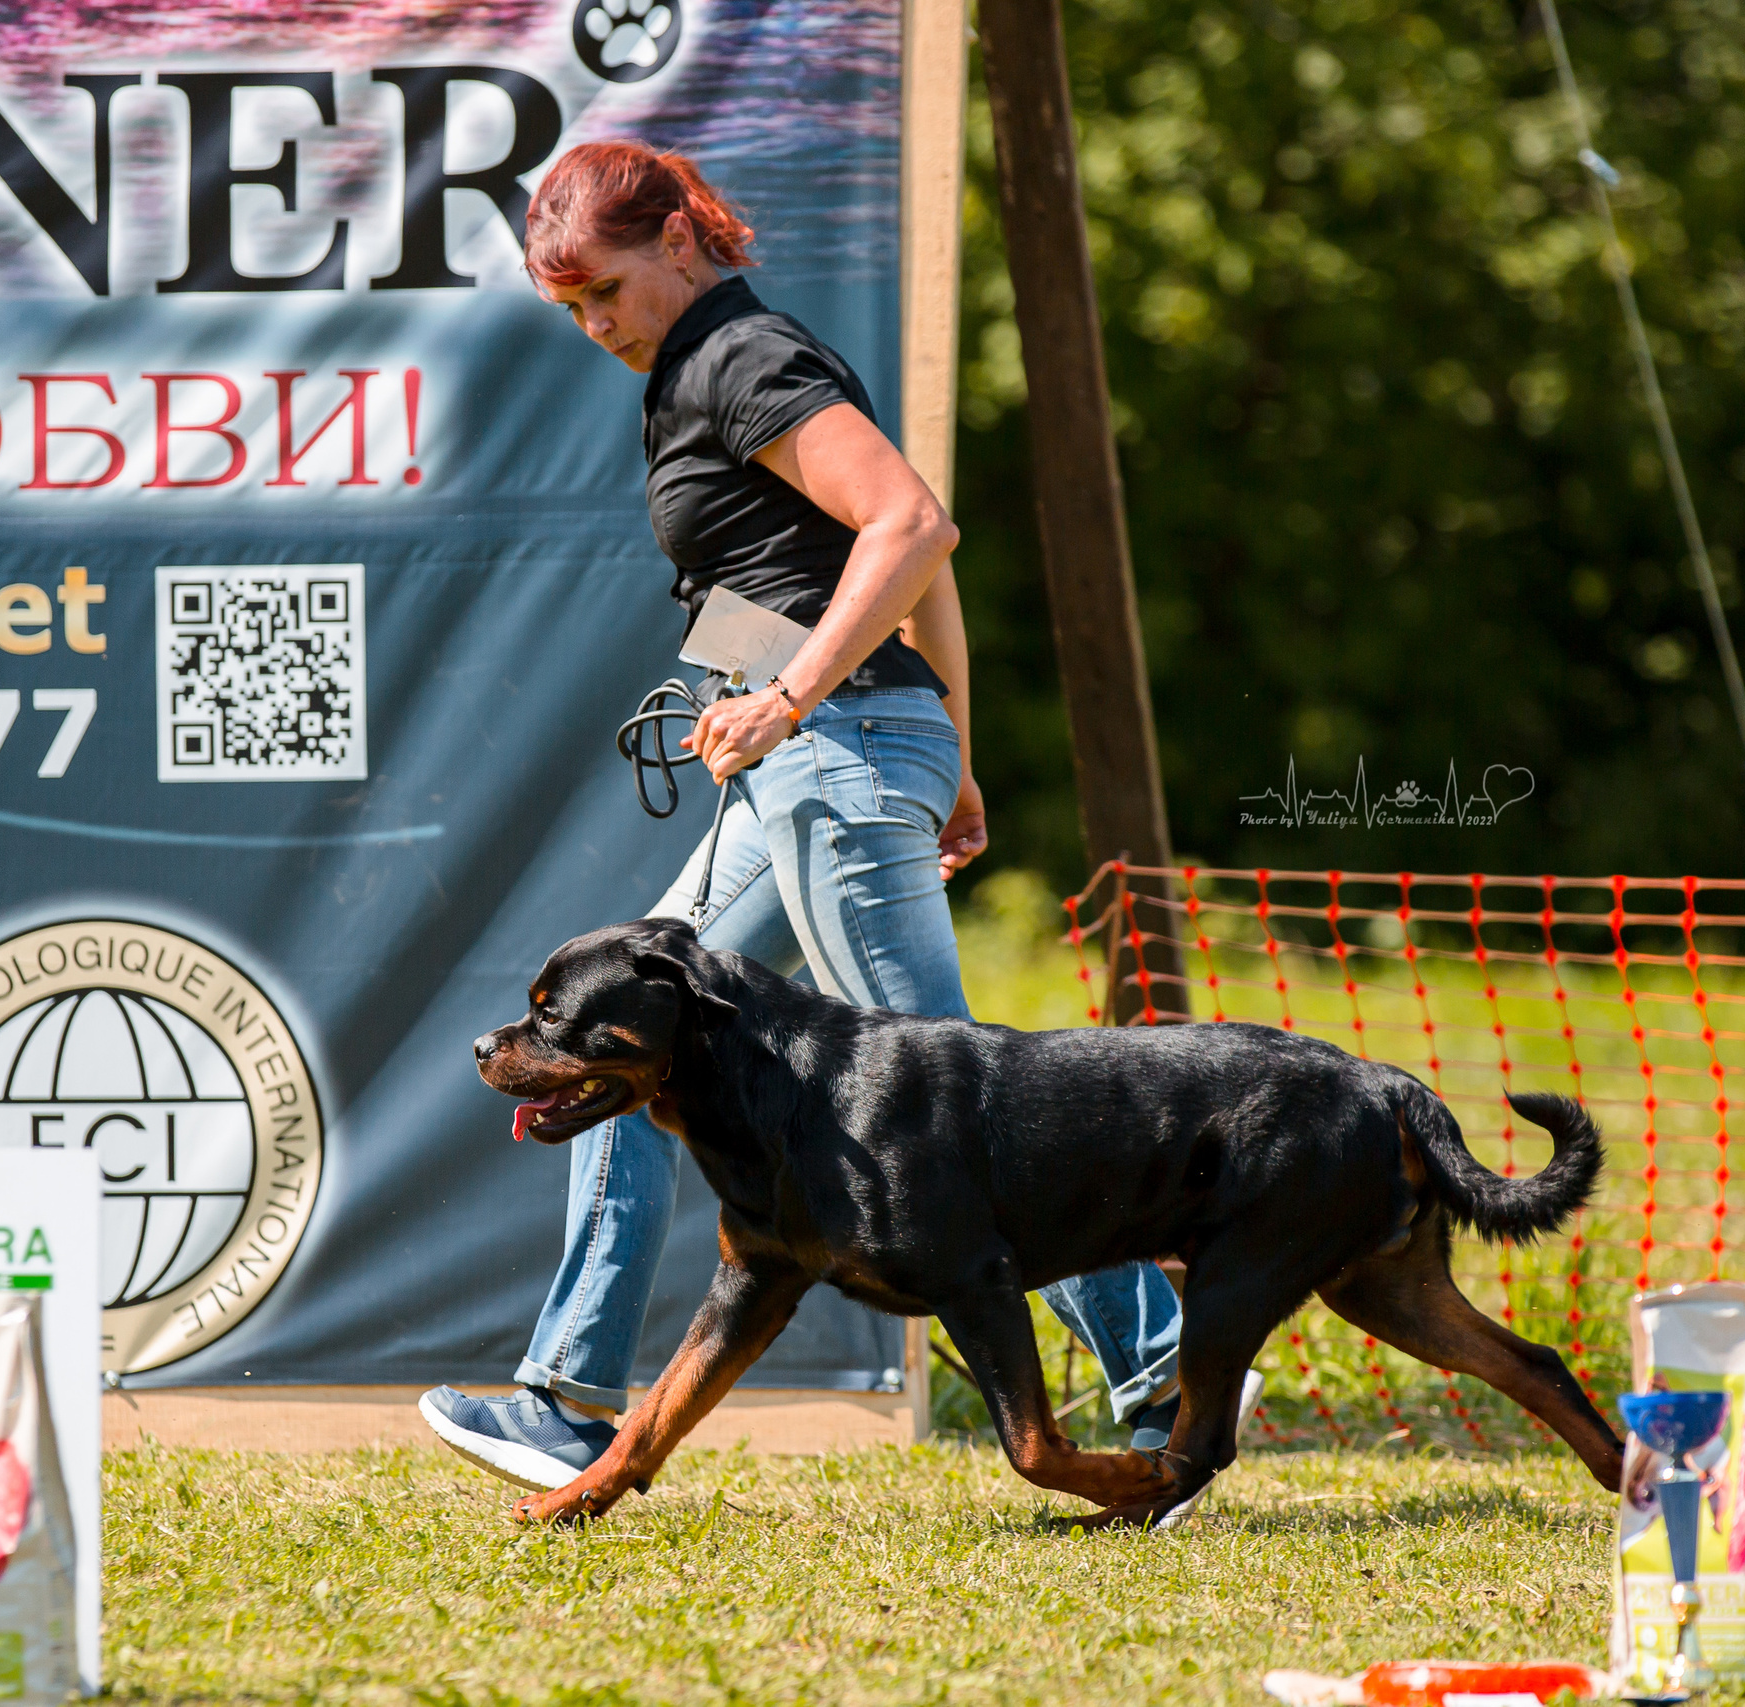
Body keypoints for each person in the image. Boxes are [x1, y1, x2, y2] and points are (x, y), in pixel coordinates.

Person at [420, 143, 1231, 1492]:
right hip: (838, 750)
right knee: (608, 1033)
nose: (598, 326)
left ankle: (1161, 1370)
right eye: (572, 311)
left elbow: (912, 525)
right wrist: (954, 749)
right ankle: (566, 1393)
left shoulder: (740, 356)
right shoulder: (705, 366)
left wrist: (788, 700)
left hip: (829, 757)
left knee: (961, 1100)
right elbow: (900, 560)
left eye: (607, 291)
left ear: (680, 238)